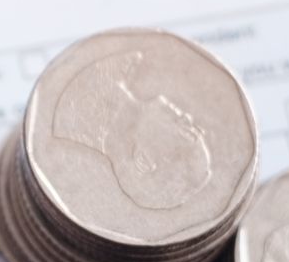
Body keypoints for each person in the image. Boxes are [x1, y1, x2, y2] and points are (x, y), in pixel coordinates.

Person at [51, 49, 211, 211]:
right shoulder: (127, 61)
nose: (187, 119)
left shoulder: (70, 114)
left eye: (187, 134)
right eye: (194, 129)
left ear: (144, 160)